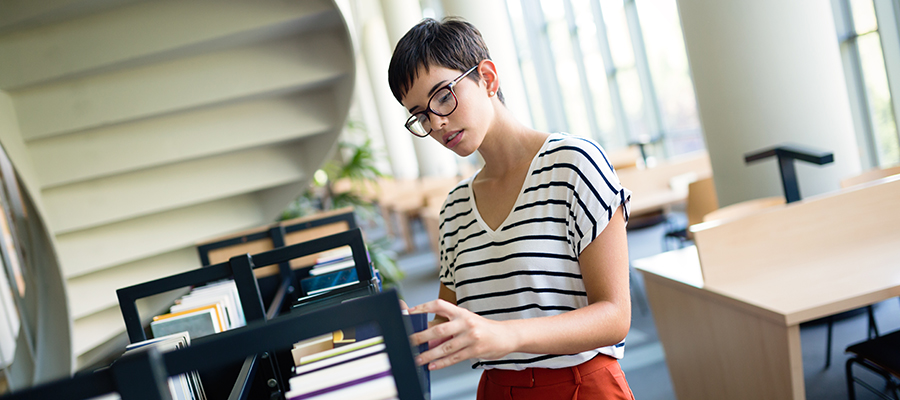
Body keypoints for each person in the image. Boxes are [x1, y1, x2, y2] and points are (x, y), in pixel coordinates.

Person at [387, 17, 634, 400]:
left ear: (487, 78)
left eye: (443, 95)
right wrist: (404, 327)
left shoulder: (574, 164)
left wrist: (508, 335)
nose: (436, 122)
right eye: (420, 114)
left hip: (581, 386)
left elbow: (616, 315)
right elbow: (450, 327)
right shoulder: (454, 209)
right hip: (498, 391)